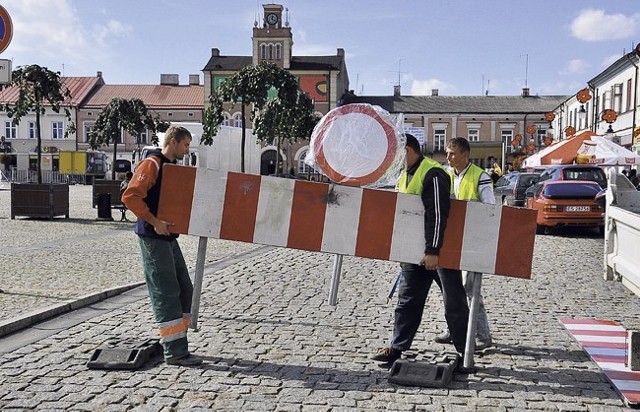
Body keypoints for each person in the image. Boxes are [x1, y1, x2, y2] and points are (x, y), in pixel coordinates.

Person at [371, 134, 469, 365]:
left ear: (406, 150)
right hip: (414, 253)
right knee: (407, 301)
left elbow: (437, 214)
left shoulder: (433, 173)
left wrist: (433, 251)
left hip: (440, 251)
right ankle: (396, 347)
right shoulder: (406, 175)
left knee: (453, 303)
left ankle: (465, 352)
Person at [122, 126, 203, 366]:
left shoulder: (171, 166)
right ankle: (175, 351)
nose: (187, 150)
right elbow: (130, 196)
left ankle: (176, 341)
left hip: (168, 236)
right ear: (174, 142)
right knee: (166, 292)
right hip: (153, 236)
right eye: (186, 145)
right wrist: (155, 221)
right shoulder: (152, 164)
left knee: (185, 289)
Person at [435, 137, 493, 351]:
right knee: (451, 289)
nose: (448, 157)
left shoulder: (481, 177)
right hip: (450, 240)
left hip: (472, 241)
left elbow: (490, 209)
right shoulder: (446, 175)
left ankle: (482, 335)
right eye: (447, 153)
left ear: (465, 155)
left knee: (470, 289)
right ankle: (454, 329)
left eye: (452, 153)